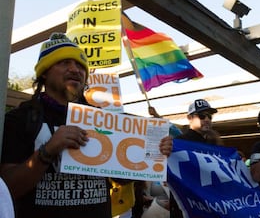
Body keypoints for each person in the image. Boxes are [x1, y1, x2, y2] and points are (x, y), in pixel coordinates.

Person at [0, 33, 173, 218]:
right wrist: (48, 151)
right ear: (44, 72)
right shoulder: (19, 119)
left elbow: (121, 179)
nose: (75, 69)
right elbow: (8, 189)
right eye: (64, 62)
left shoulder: (104, 118)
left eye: (81, 65)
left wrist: (153, 153)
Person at [169, 98, 220, 218]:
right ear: (189, 118)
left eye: (209, 116)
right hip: (187, 207)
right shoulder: (178, 143)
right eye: (202, 116)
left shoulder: (213, 144)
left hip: (208, 205)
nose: (207, 119)